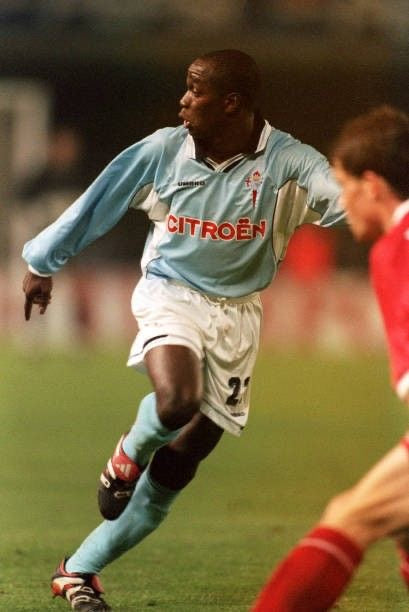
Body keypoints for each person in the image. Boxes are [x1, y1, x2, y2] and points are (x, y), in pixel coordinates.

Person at [22, 49, 343, 611]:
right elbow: (99, 200)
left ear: (232, 103)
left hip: (239, 316)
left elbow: (346, 198)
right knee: (176, 402)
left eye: (196, 90)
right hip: (171, 292)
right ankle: (127, 453)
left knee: (179, 465)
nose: (183, 100)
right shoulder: (165, 149)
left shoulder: (289, 162)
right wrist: (43, 261)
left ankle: (77, 571)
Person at [252, 105, 409, 611]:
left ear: (372, 185)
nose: (341, 201)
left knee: (349, 517)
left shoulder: (397, 249)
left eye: (343, 185)